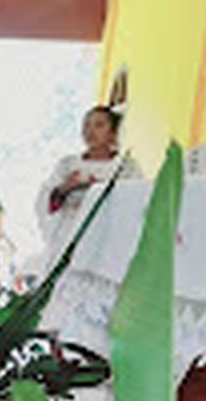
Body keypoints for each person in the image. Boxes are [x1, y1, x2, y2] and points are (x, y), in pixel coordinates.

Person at [33, 105, 141, 276]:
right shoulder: (68, 164)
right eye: (87, 125)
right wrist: (65, 187)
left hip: (105, 240)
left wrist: (99, 189)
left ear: (113, 133)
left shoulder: (125, 167)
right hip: (68, 237)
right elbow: (45, 201)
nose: (90, 131)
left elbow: (136, 203)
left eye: (99, 125)